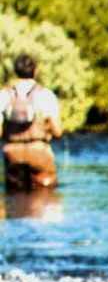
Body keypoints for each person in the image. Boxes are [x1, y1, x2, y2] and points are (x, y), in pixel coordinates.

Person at [1, 54, 63, 191]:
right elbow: (57, 131)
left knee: (14, 196)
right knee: (46, 195)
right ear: (35, 71)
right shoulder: (46, 95)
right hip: (39, 151)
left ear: (15, 71)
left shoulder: (4, 95)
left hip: (12, 153)